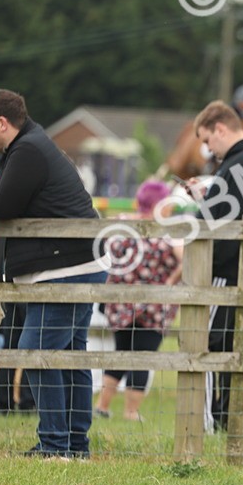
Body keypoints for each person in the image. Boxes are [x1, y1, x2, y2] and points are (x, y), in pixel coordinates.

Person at [0, 89, 107, 461]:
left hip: (66, 267)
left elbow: (5, 205)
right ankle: (75, 445)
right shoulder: (21, 147)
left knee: (39, 350)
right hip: (79, 264)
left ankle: (55, 444)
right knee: (70, 354)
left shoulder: (27, 151)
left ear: (2, 122)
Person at [192, 100, 243, 433]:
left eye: (208, 140)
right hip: (240, 268)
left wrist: (200, 211)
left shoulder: (241, 163)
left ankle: (212, 422)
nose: (208, 149)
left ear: (221, 128)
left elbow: (213, 221)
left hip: (225, 270)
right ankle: (223, 419)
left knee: (208, 343)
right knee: (226, 345)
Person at [95, 180, 183, 421]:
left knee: (121, 352)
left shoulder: (121, 223)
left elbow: (102, 253)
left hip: (120, 303)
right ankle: (131, 412)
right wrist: (170, 281)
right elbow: (186, 260)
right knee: (143, 356)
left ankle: (102, 406)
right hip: (154, 307)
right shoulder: (166, 232)